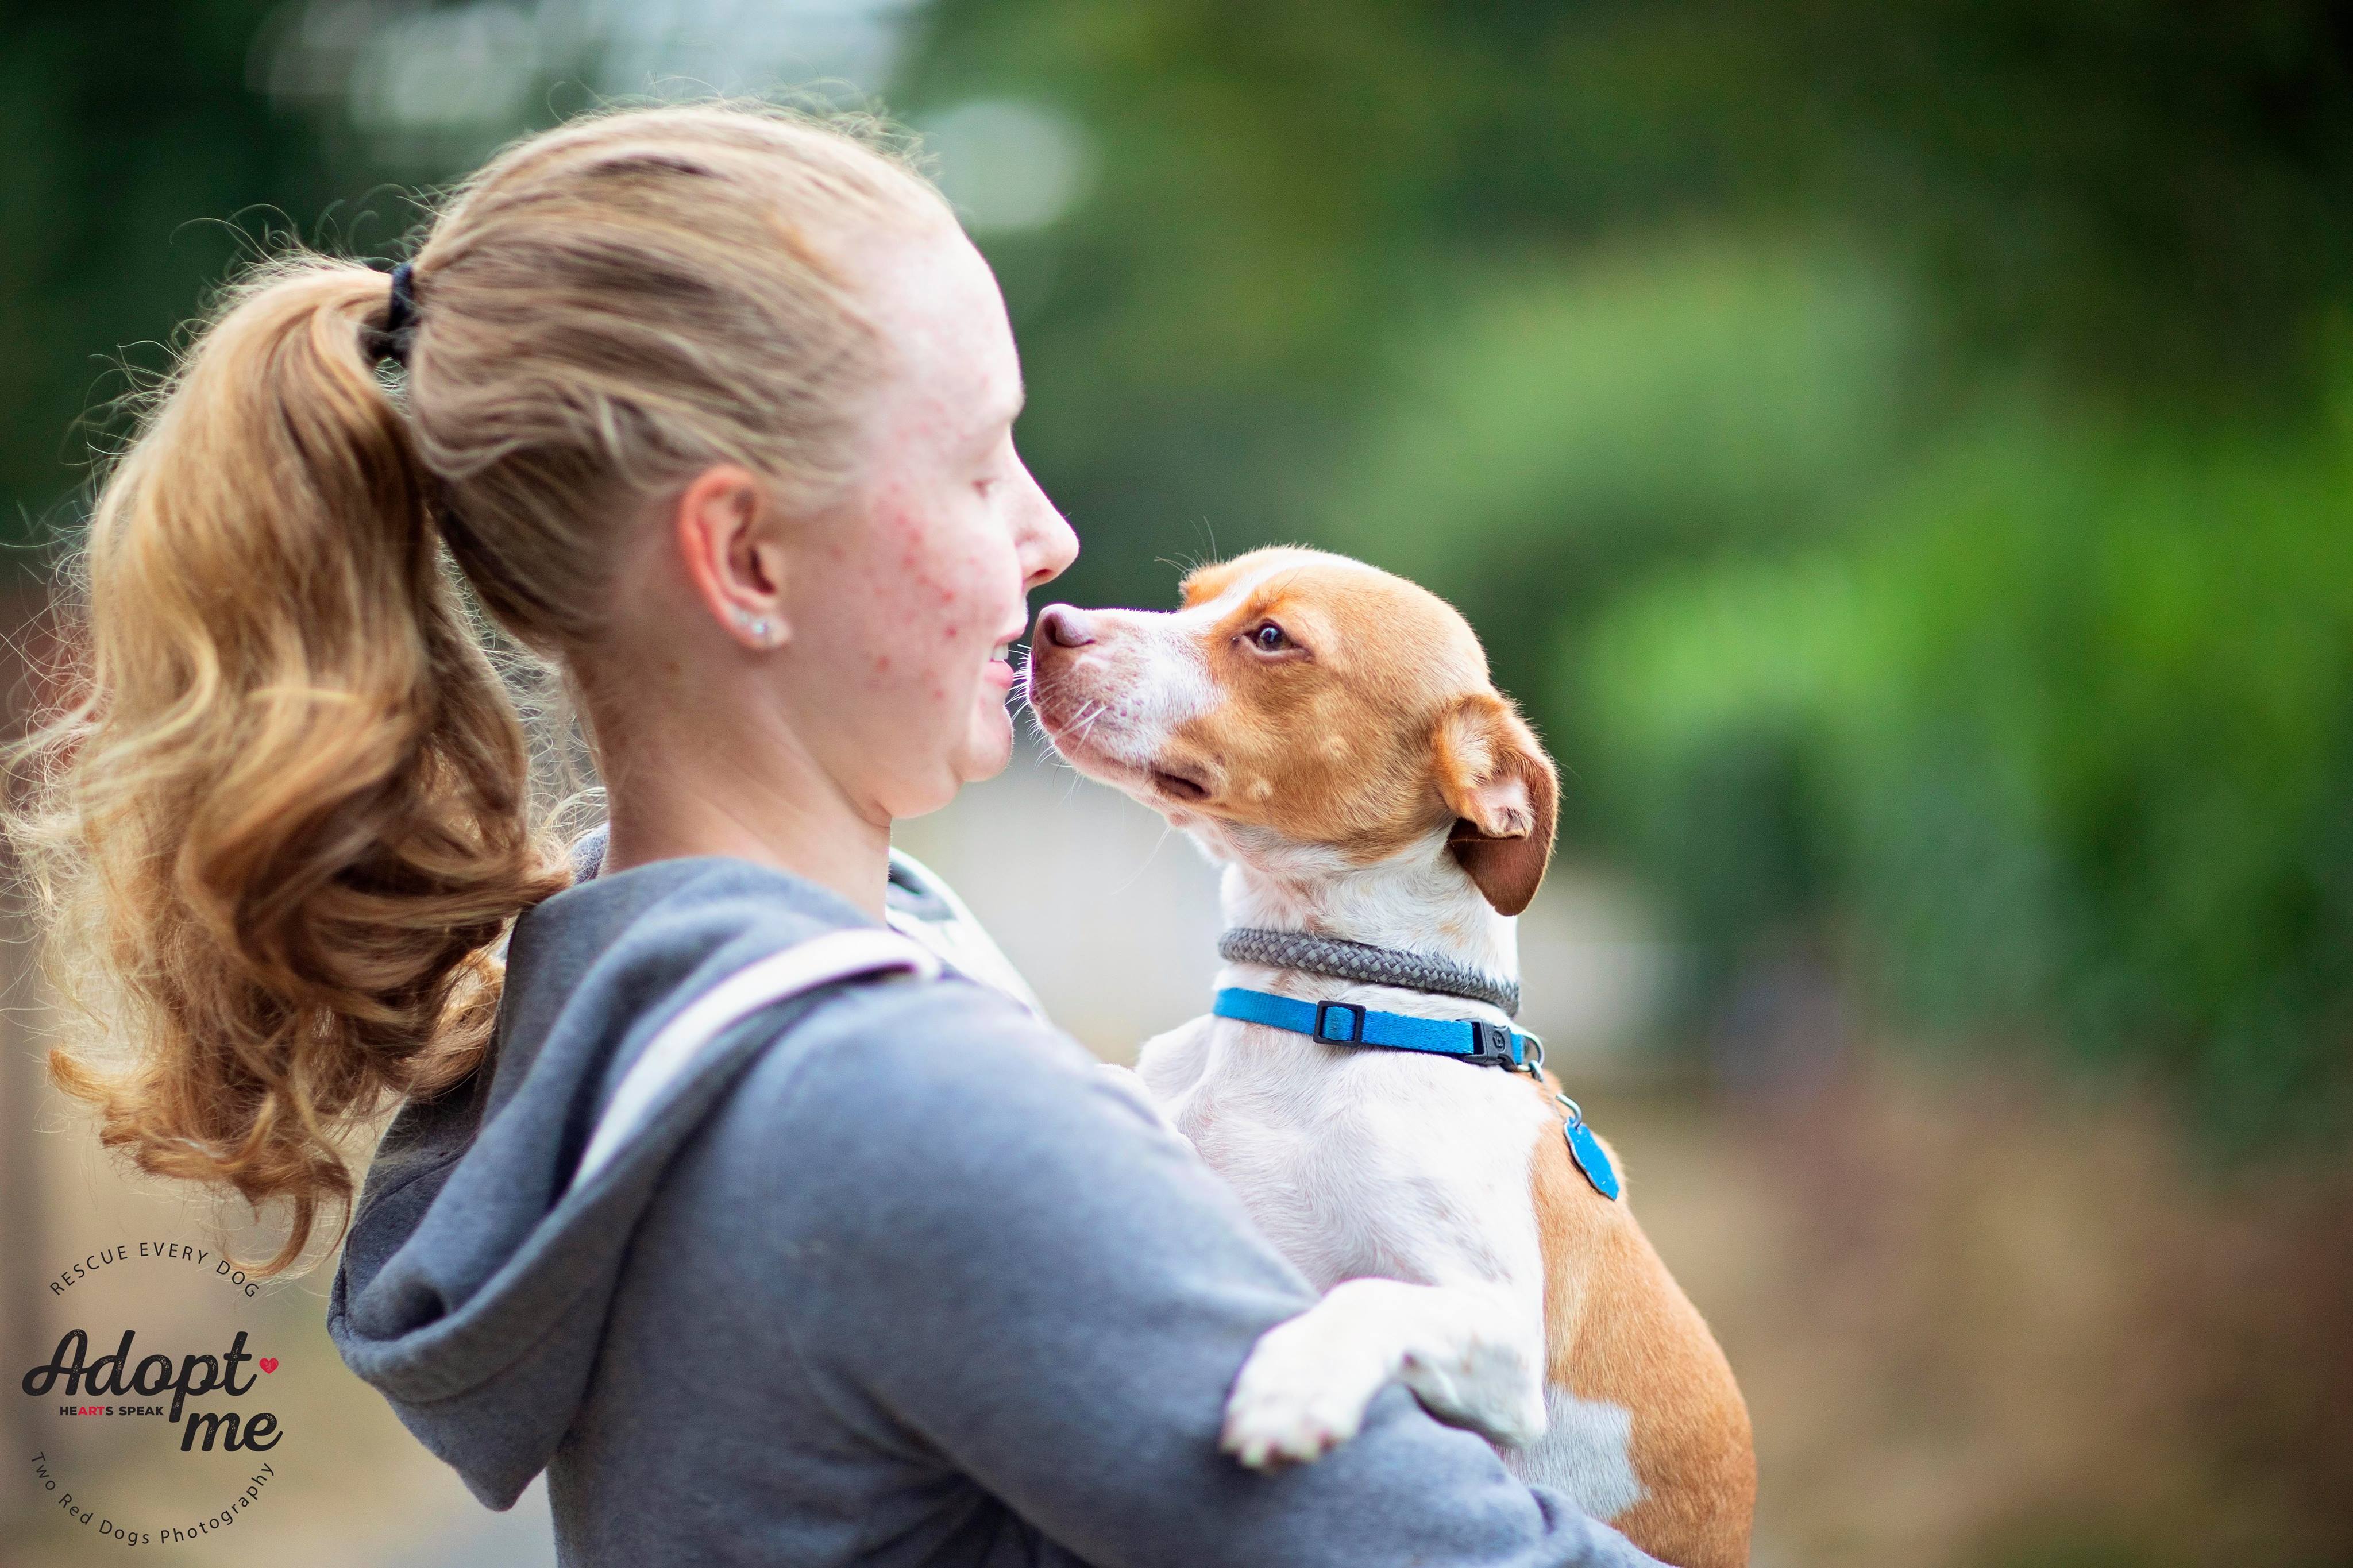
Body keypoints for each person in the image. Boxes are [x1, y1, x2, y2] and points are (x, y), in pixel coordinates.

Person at [5, 103, 1665, 1567]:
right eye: (977, 464)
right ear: (745, 559)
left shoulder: (615, 1010)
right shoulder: (908, 1109)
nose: (1051, 534)